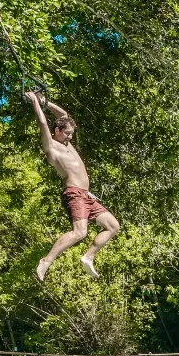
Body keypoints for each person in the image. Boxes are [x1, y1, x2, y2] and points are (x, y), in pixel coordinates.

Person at [25, 89, 120, 282]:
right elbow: (43, 122)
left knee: (113, 226)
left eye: (71, 134)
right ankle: (46, 261)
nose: (70, 138)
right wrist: (35, 102)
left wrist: (46, 102)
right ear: (57, 131)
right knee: (80, 232)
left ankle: (88, 256)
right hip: (74, 194)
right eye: (67, 134)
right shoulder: (51, 146)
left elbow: (64, 116)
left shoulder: (67, 144)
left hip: (87, 195)